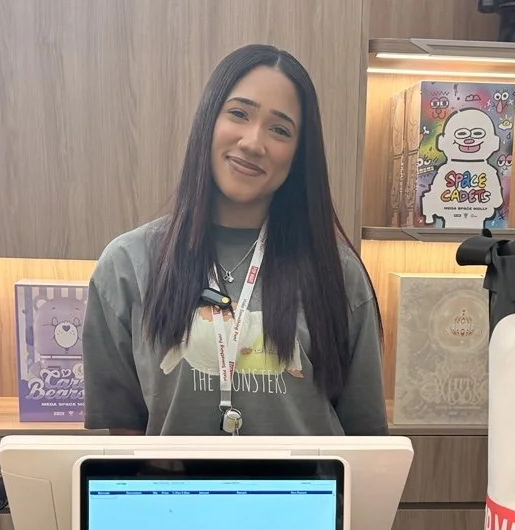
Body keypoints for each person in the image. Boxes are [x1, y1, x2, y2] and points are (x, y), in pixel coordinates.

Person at [83, 44, 387, 436]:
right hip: (174, 499)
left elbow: (365, 440)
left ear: (298, 154)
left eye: (280, 129)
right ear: (208, 121)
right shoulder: (128, 264)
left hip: (304, 499)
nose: (252, 142)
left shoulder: (338, 272)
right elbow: (123, 438)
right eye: (239, 114)